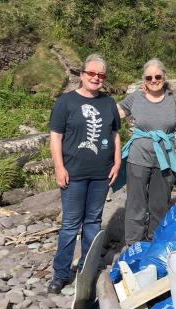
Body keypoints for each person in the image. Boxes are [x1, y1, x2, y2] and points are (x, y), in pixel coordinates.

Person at [47, 54, 121, 294]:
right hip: (73, 173)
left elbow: (115, 135)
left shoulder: (109, 103)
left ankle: (87, 272)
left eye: (100, 75)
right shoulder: (65, 102)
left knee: (93, 223)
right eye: (91, 73)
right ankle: (60, 274)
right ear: (82, 75)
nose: (96, 78)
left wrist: (117, 162)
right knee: (69, 225)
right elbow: (55, 136)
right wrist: (59, 167)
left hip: (101, 174)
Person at [114, 59, 176, 245]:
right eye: (149, 77)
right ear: (144, 80)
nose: (154, 80)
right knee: (135, 203)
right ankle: (133, 244)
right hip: (138, 157)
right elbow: (114, 113)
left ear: (165, 77)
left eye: (158, 76)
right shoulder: (136, 98)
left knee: (160, 203)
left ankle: (156, 242)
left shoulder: (175, 97)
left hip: (165, 158)